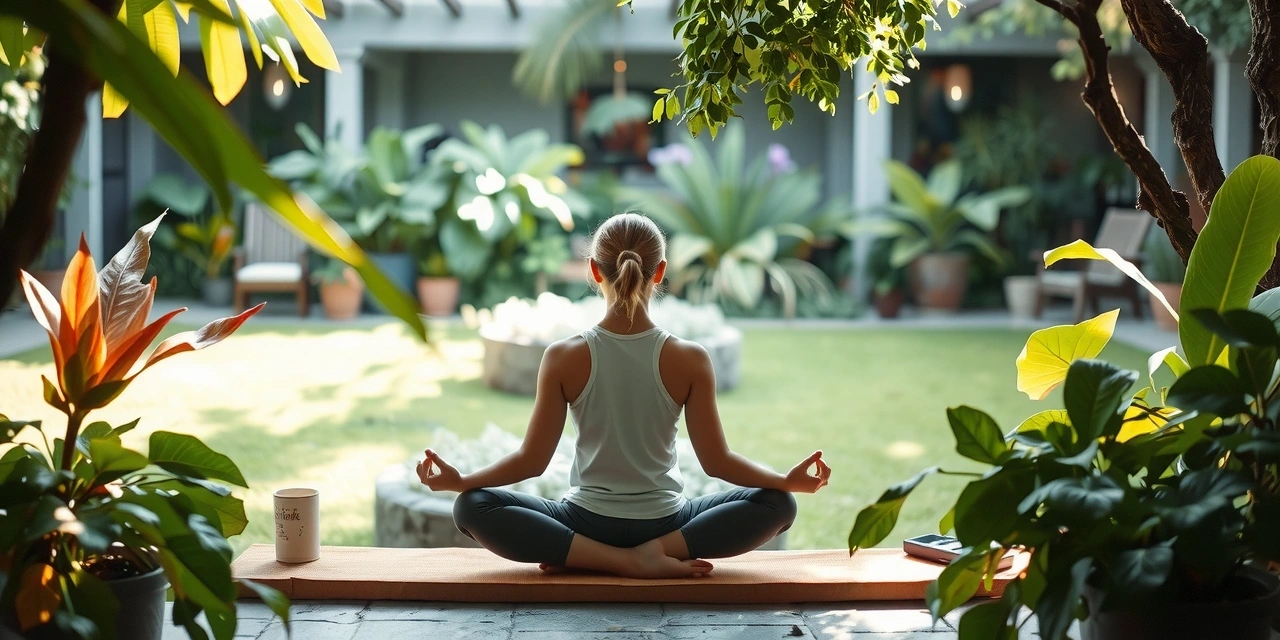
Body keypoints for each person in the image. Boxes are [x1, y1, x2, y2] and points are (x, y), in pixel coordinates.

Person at [416, 212, 832, 579]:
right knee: (779, 505)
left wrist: (463, 482)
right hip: (668, 524)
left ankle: (597, 559)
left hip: (583, 525)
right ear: (660, 271)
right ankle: (649, 555)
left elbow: (532, 460)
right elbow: (716, 461)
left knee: (471, 507)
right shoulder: (690, 358)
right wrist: (784, 482)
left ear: (594, 271)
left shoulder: (563, 356)